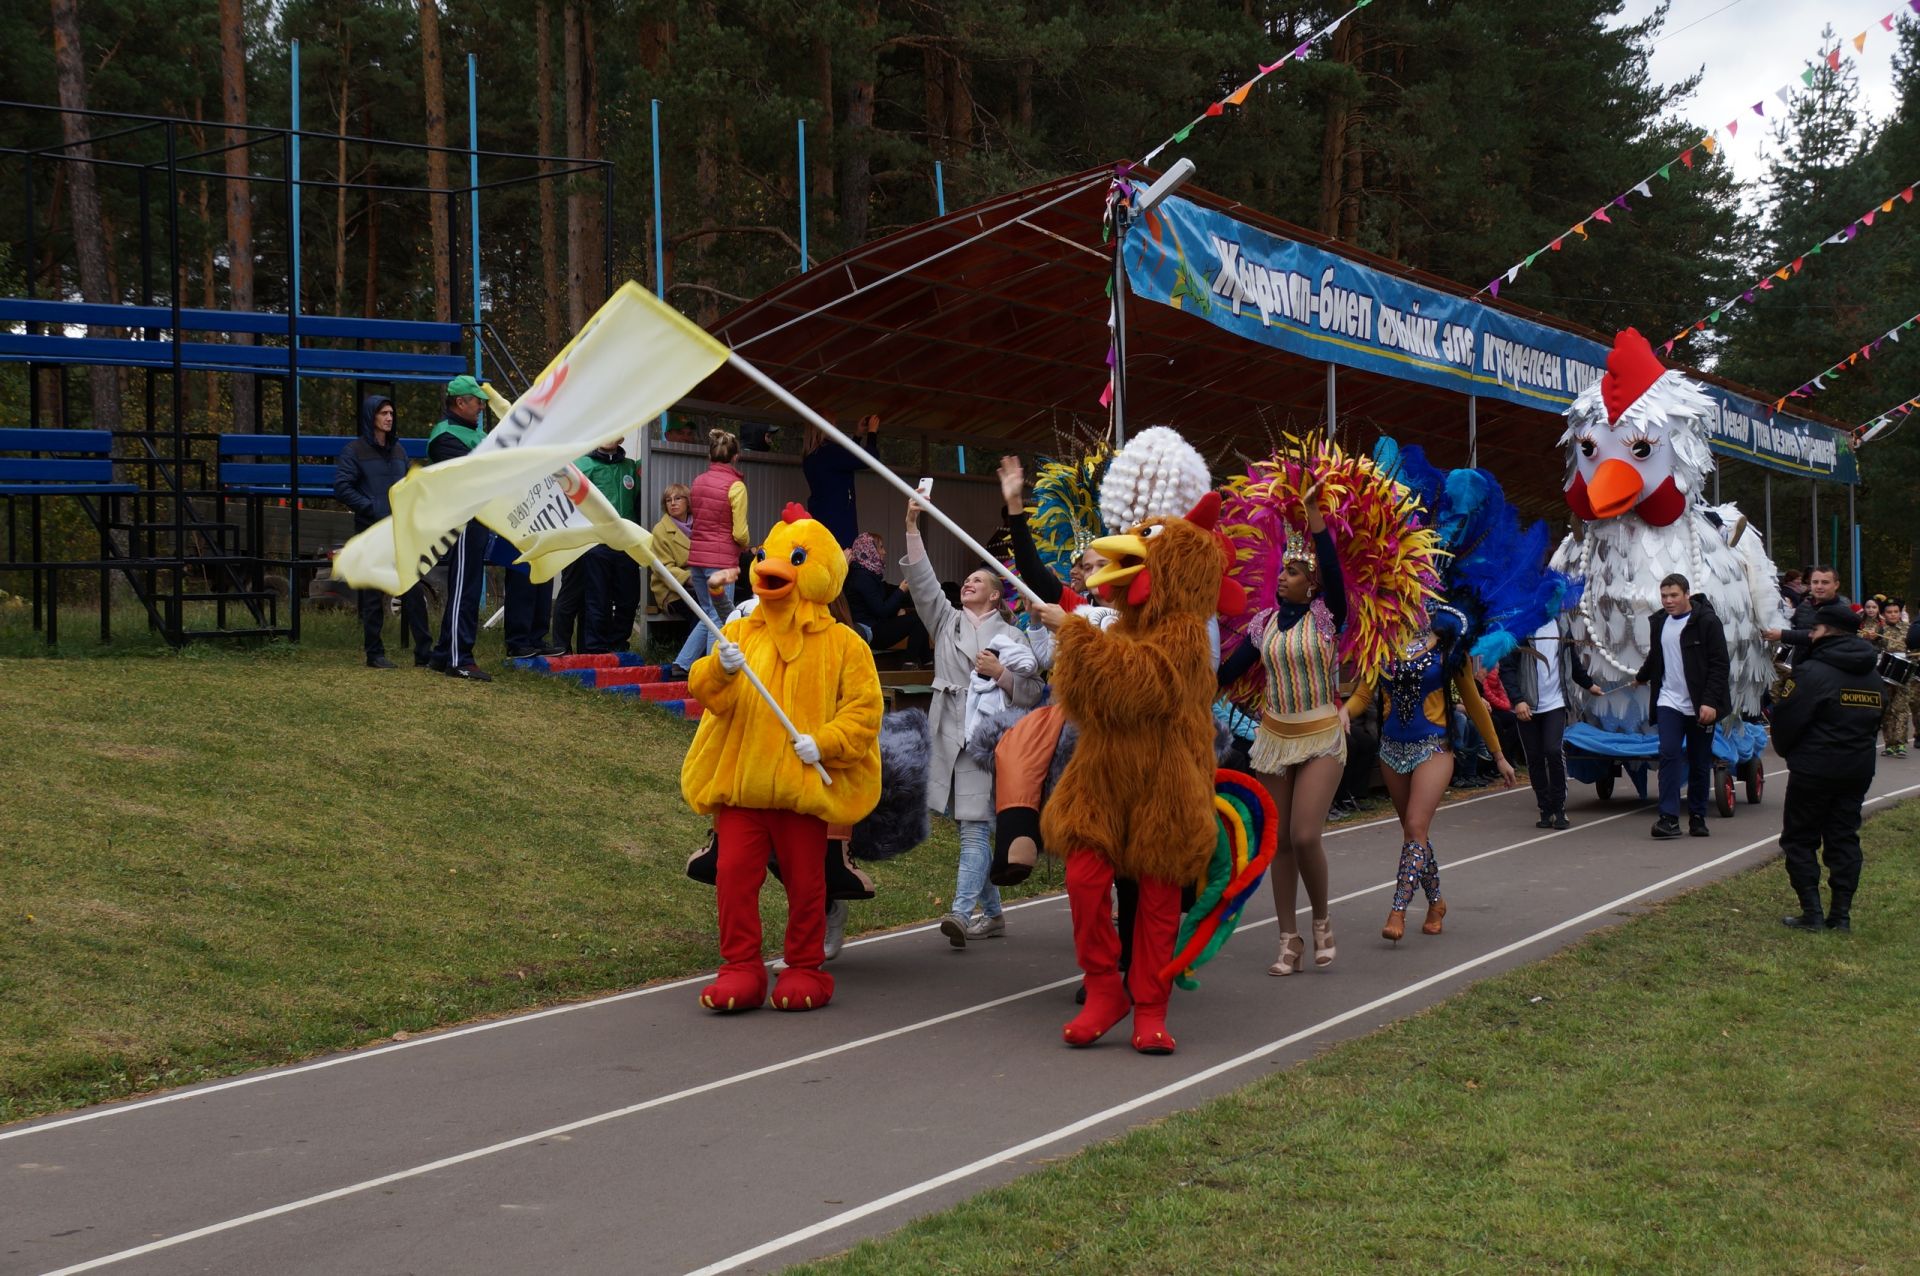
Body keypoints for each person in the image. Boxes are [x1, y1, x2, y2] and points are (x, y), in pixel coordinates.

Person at [1213, 481, 1346, 976]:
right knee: (1280, 842)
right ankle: (1287, 939)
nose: (1282, 578)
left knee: (1306, 834)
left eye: (1293, 571)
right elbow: (1225, 675)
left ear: (1311, 583)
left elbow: (1333, 571)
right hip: (1274, 738)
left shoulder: (1329, 615)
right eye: (1283, 570)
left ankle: (1323, 922)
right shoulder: (1262, 625)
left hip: (1321, 735)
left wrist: (1315, 518)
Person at [901, 498, 1043, 947]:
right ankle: (995, 914)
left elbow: (1036, 691)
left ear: (996, 594)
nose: (968, 584)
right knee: (969, 826)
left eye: (977, 581)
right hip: (947, 734)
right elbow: (924, 584)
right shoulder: (945, 622)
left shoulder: (1014, 636)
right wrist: (912, 525)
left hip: (986, 743)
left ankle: (961, 913)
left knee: (976, 828)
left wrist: (1001, 675)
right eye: (965, 580)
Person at [1348, 603, 1518, 942]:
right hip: (1392, 750)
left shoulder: (1449, 641)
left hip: (1434, 747)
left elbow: (1471, 701)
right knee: (1416, 834)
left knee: (1414, 827)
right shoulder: (1382, 641)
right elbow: (1364, 693)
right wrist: (1343, 714)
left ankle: (1397, 910)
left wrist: (1498, 755)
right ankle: (1437, 903)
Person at [1771, 602, 1881, 931]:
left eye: (1814, 629)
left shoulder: (1811, 672)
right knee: (1844, 838)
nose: (1810, 634)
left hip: (1814, 770)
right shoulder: (1873, 675)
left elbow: (1787, 719)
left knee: (1800, 839)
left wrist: (1793, 753)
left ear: (1824, 631)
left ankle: (1813, 914)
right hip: (1857, 770)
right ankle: (1841, 916)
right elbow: (1877, 720)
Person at [333, 394, 430, 669]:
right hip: (370, 530)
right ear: (370, 417)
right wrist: (371, 507)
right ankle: (374, 653)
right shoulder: (355, 451)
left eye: (391, 413)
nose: (389, 418)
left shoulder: (399, 450)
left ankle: (424, 653)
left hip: (399, 529)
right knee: (373, 596)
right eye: (383, 413)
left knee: (412, 590)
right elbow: (342, 487)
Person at [1634, 573, 1731, 840]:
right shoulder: (1660, 622)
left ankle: (1698, 816)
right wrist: (1641, 677)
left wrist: (1710, 701)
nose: (1668, 601)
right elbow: (1657, 656)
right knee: (1669, 754)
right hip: (1669, 701)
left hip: (1701, 704)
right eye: (1664, 596)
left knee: (1700, 761)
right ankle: (1668, 818)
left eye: (1674, 595)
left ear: (1687, 594)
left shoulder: (1707, 622)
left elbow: (1720, 665)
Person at [1500, 614, 1604, 829]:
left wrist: (1589, 685)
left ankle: (1559, 807)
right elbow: (1507, 668)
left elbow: (1571, 661)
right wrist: (1518, 701)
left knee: (1553, 750)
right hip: (1527, 705)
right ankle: (1545, 808)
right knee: (1535, 757)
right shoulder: (1519, 629)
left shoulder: (1562, 626)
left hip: (1555, 703)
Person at [425, 375, 494, 682]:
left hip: (480, 518)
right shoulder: (445, 436)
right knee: (465, 589)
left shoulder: (476, 434)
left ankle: (442, 655)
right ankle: (458, 658)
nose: (480, 406)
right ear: (459, 402)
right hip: (463, 519)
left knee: (468, 586)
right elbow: (469, 476)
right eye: (476, 401)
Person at [665, 430, 749, 680]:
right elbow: (740, 531)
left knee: (706, 612)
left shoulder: (698, 481)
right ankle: (714, 670)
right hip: (721, 561)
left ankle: (683, 663)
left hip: (697, 558)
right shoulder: (736, 486)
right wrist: (746, 545)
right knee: (720, 616)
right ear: (736, 457)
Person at [576, 440, 642, 652]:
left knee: (628, 598)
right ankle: (595, 648)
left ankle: (619, 645)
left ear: (623, 437)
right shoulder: (584, 465)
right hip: (597, 544)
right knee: (598, 599)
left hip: (626, 544)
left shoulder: (631, 467)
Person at [844, 532, 930, 664]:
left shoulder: (864, 573)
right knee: (919, 619)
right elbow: (881, 610)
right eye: (881, 547)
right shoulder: (863, 577)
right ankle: (912, 663)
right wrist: (901, 590)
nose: (884, 552)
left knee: (918, 617)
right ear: (870, 551)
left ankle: (926, 661)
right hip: (870, 631)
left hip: (873, 626)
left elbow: (876, 604)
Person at [801, 415, 879, 548]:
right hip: (839, 523)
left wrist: (858, 436)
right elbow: (868, 458)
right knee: (842, 561)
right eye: (833, 426)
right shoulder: (830, 452)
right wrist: (872, 433)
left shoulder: (810, 455)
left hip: (821, 518)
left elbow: (847, 459)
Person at [1765, 564, 1848, 664]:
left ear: (1836, 585)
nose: (1819, 586)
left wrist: (1782, 634)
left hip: (1828, 667)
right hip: (1802, 667)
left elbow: (1820, 635)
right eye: (1815, 582)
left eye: (1825, 582)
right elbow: (1792, 628)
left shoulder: (1841, 609)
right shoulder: (1804, 605)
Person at [650, 483, 694, 617]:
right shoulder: (660, 530)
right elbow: (663, 569)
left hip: (701, 583)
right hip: (672, 591)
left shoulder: (700, 525)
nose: (673, 503)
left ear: (688, 502)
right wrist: (690, 578)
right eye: (668, 500)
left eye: (678, 498)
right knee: (703, 610)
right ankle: (697, 639)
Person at [1878, 598, 1910, 757]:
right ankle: (1889, 744)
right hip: (1885, 673)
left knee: (1901, 708)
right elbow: (1874, 650)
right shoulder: (1880, 630)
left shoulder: (1908, 629)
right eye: (1889, 612)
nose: (1892, 615)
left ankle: (1901, 744)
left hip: (1904, 673)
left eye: (1896, 612)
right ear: (1883, 614)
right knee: (1887, 709)